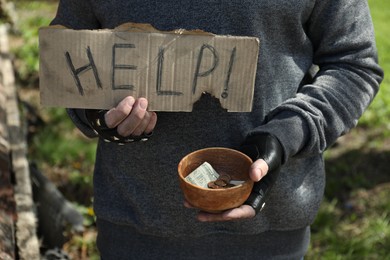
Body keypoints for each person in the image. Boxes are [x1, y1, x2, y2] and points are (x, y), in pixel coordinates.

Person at [50, 0, 383, 259]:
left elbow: (353, 64)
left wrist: (289, 133)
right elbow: (69, 57)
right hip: (136, 230)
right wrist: (99, 114)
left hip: (269, 239)